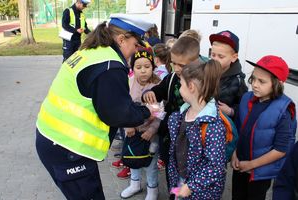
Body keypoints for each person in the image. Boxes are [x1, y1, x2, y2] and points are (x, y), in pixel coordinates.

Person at [35, 14, 155, 200]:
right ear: (122, 39)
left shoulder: (95, 52)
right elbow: (117, 114)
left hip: (54, 138)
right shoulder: (110, 66)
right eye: (136, 44)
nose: (136, 50)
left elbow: (107, 100)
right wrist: (148, 111)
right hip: (67, 148)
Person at [231, 55, 297, 200]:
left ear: (277, 84)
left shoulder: (283, 111)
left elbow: (281, 150)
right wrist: (234, 153)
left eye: (261, 81)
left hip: (260, 173)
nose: (254, 84)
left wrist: (251, 165)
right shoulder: (246, 98)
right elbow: (238, 131)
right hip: (240, 165)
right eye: (253, 78)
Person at [142, 36, 200, 199]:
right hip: (169, 137)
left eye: (182, 65)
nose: (176, 68)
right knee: (172, 171)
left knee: (189, 177)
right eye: (173, 63)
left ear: (195, 61)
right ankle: (173, 195)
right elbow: (159, 89)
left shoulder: (202, 81)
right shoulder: (172, 77)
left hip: (191, 141)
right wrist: (150, 93)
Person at [167, 59, 226, 200]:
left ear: (191, 87)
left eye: (181, 84)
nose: (179, 88)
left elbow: (215, 166)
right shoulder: (182, 115)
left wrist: (191, 186)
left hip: (201, 191)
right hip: (180, 179)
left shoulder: (213, 125)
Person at [120, 47, 161, 199]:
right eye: (138, 67)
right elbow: (122, 107)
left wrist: (152, 130)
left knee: (150, 164)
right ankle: (134, 184)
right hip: (132, 131)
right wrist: (127, 125)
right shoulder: (128, 83)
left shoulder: (158, 85)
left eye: (147, 66)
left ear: (153, 66)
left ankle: (152, 189)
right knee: (132, 159)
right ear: (133, 69)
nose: (143, 71)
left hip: (150, 134)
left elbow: (160, 112)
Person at [209, 30, 248, 118]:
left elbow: (244, 108)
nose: (215, 59)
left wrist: (231, 111)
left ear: (234, 57)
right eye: (213, 55)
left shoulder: (238, 81)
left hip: (222, 124)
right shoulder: (206, 70)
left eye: (221, 56)